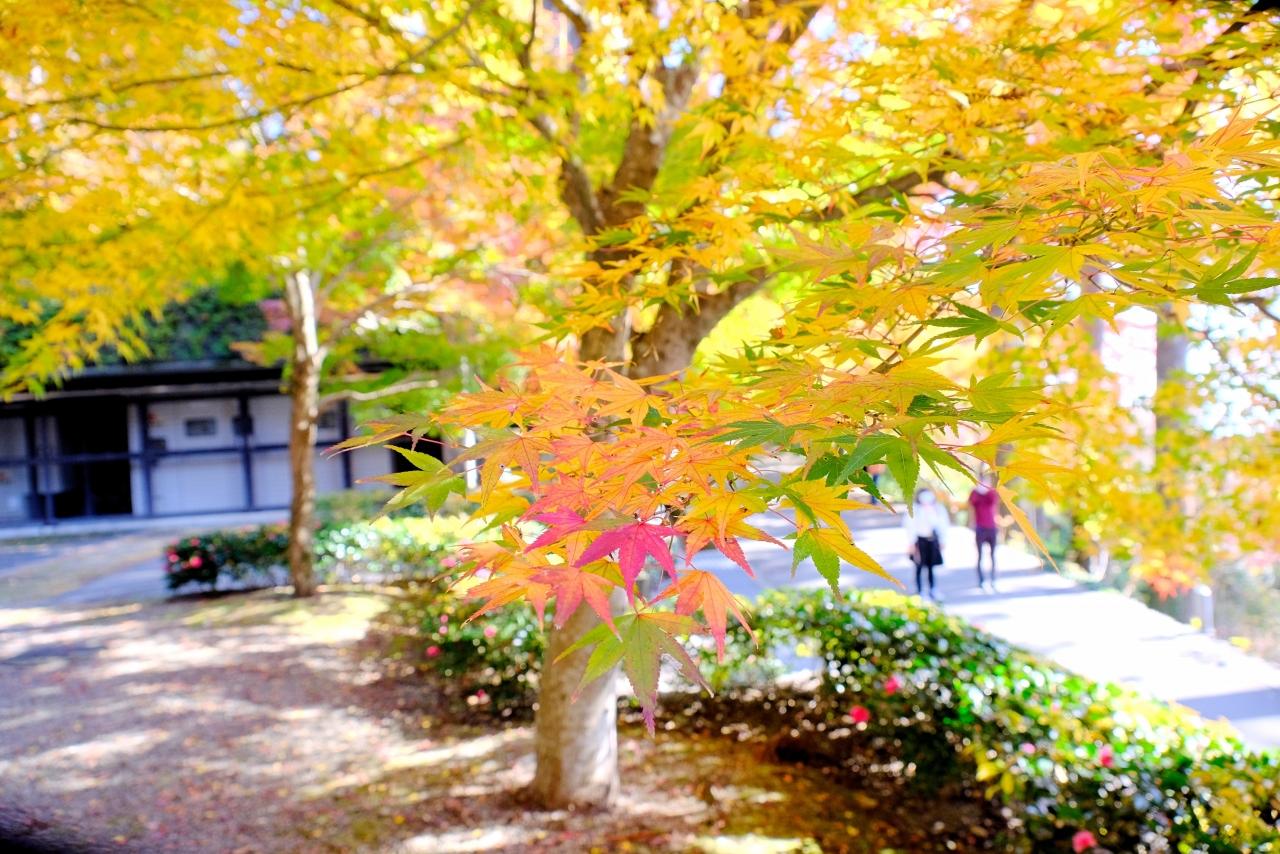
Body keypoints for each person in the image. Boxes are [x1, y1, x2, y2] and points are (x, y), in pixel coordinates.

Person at [903, 486, 948, 600]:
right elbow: (910, 526)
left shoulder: (937, 508)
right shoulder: (915, 509)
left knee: (931, 566)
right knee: (918, 566)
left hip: (932, 540)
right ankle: (919, 590)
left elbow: (942, 524)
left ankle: (932, 589)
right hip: (919, 540)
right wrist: (911, 543)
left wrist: (943, 540)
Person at [968, 475, 1000, 592]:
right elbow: (972, 503)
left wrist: (987, 490)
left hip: (991, 527)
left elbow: (993, 501)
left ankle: (993, 579)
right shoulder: (974, 493)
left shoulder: (991, 492)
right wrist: (977, 491)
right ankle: (981, 581)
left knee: (993, 555)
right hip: (980, 527)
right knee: (980, 555)